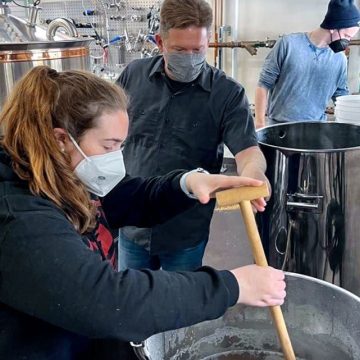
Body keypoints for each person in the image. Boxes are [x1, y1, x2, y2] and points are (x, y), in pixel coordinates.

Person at [0, 66, 286, 360]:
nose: (116, 158)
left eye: (121, 146)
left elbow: (134, 197)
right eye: (109, 146)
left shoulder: (66, 176)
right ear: (60, 140)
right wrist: (231, 286)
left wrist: (188, 183)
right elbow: (107, 302)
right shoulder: (17, 218)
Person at [117, 0, 269, 272]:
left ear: (208, 42)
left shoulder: (227, 94)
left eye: (197, 49)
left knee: (180, 308)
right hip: (132, 224)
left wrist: (253, 176)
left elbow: (248, 152)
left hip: (184, 228)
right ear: (160, 41)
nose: (189, 57)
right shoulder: (133, 76)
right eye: (179, 50)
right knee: (130, 305)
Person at [255, 0, 360, 129]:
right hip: (280, 129)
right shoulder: (288, 45)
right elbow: (263, 84)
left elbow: (341, 96)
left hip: (317, 130)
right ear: (333, 27)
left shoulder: (340, 59)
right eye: (346, 35)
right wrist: (260, 124)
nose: (347, 41)